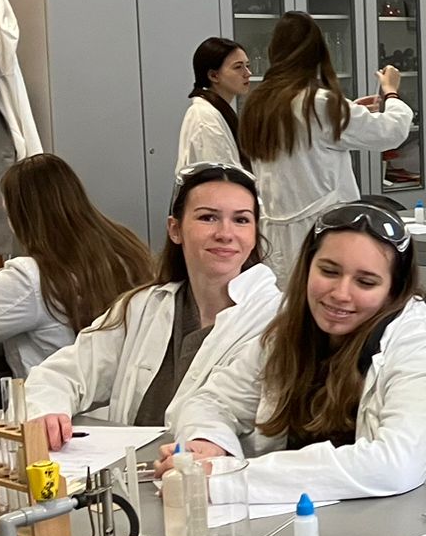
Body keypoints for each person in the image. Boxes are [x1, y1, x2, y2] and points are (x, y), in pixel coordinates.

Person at [169, 201, 426, 503]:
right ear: (307, 267)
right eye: (329, 271)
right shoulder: (287, 332)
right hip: (314, 517)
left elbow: (396, 467)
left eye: (365, 282)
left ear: (393, 291)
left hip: (420, 521)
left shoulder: (421, 343)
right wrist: (207, 443)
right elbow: (210, 401)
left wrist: (230, 478)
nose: (341, 294)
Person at [27, 163, 280, 441]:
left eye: (241, 220)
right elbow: (63, 375)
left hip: (222, 468)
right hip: (131, 467)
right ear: (175, 229)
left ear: (255, 233)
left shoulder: (276, 319)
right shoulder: (142, 307)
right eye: (208, 217)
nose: (225, 233)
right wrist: (48, 412)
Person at [241, 13, 412, 281]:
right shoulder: (319, 103)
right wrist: (391, 91)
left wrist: (349, 111)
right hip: (323, 230)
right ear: (318, 54)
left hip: (274, 235)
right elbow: (391, 131)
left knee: (285, 301)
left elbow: (308, 138)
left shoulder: (259, 103)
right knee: (328, 299)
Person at [0, 155, 155, 379]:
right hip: (124, 393)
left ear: (21, 215)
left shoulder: (30, 276)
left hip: (57, 397)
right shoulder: (125, 247)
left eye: (8, 213)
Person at [177, 37, 250, 171]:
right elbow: (222, 176)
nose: (248, 73)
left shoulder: (217, 110)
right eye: (238, 67)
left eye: (247, 66)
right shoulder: (205, 117)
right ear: (213, 76)